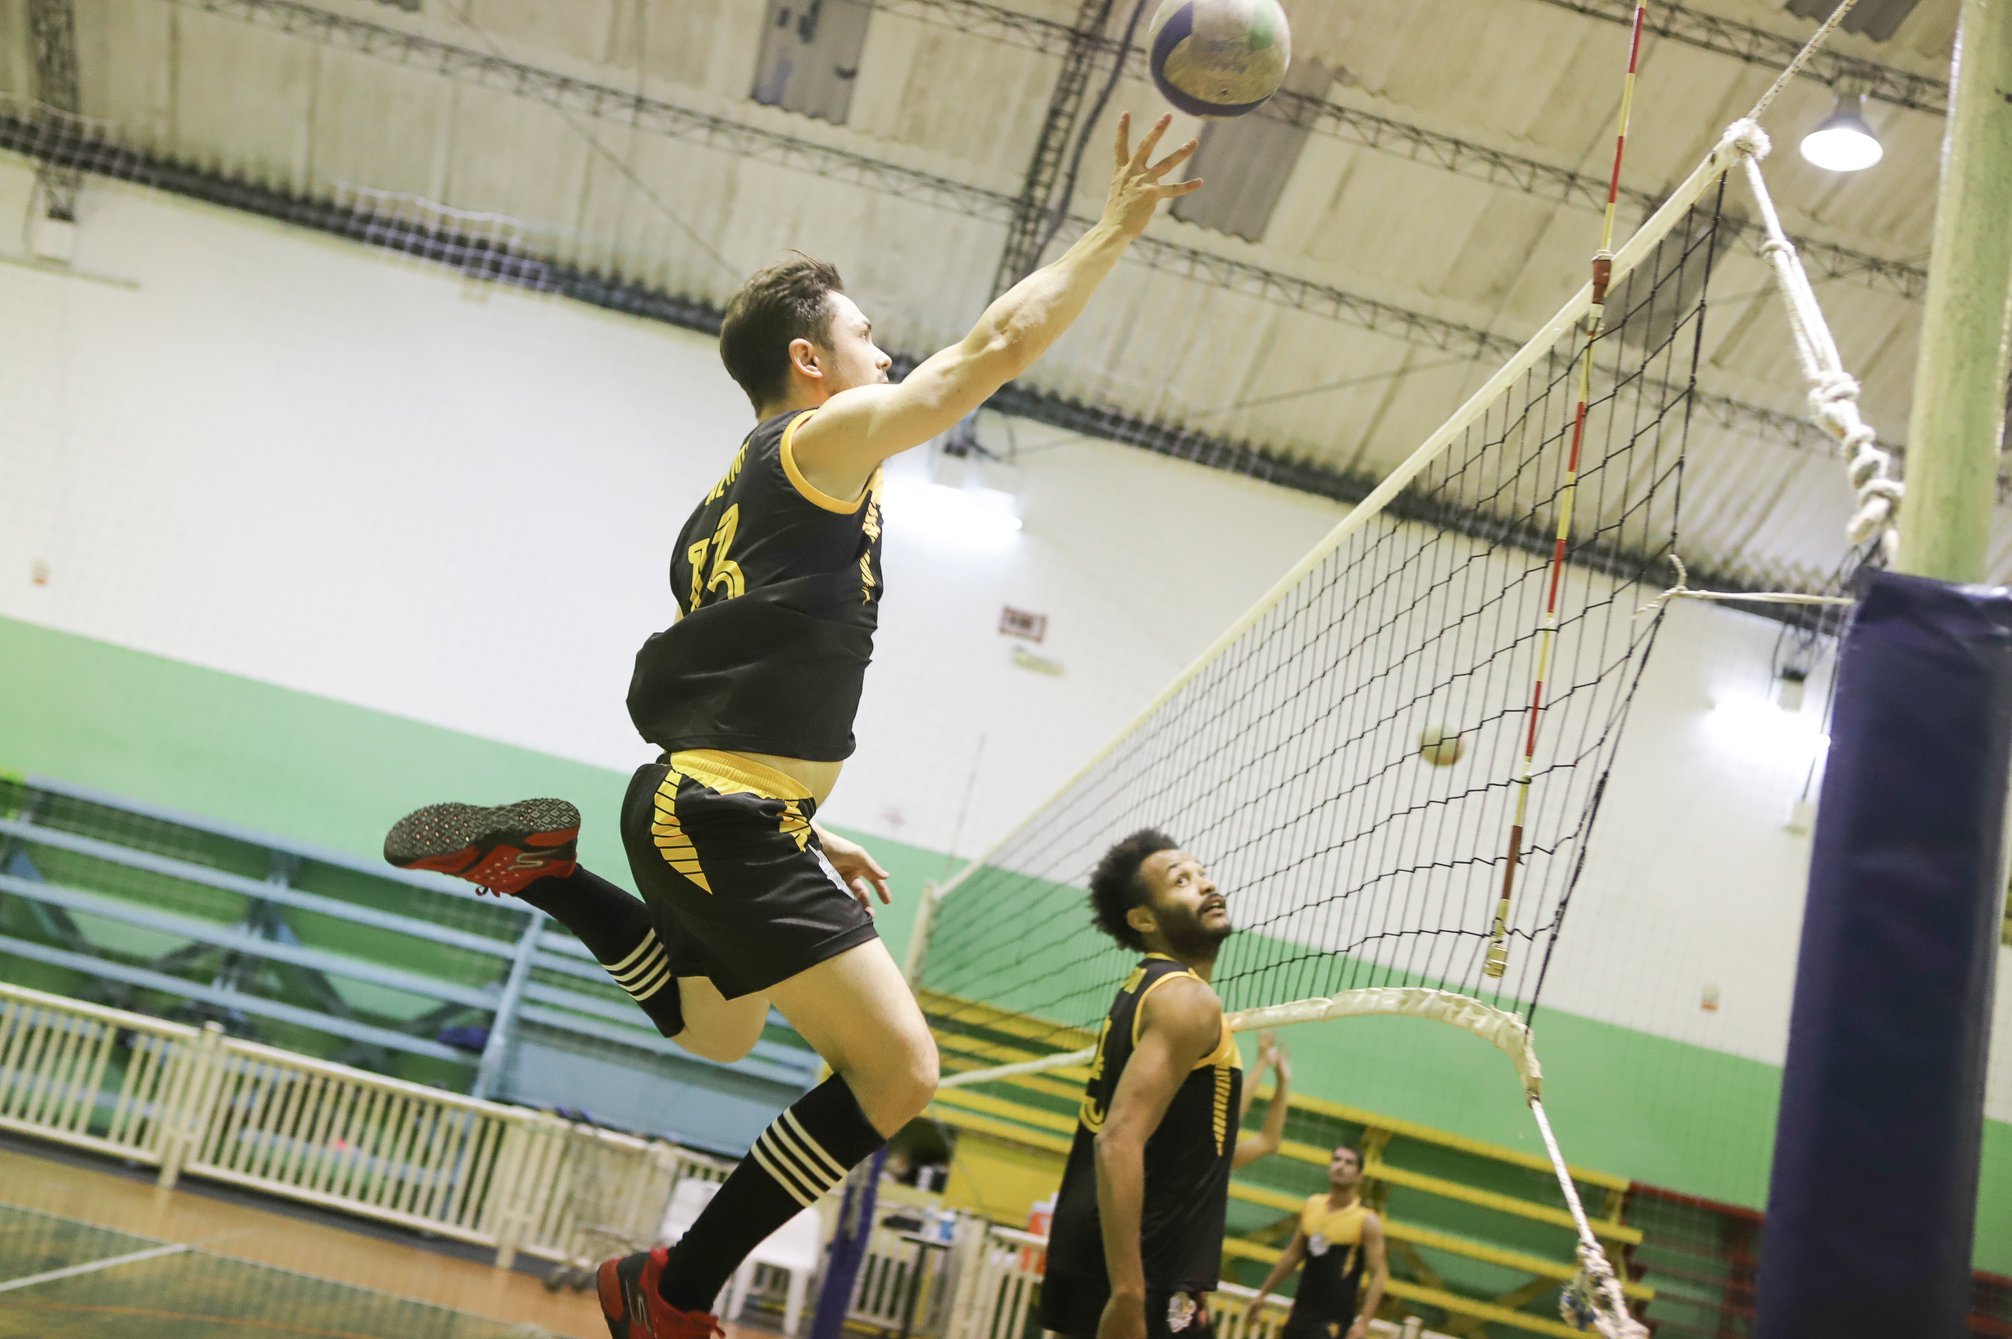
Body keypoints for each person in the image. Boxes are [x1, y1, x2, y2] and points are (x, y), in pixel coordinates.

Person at [382, 113, 1203, 1339]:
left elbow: (741, 685)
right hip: (715, 813)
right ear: (809, 363)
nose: (885, 351)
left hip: (705, 805)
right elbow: (991, 347)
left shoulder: (724, 503)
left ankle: (550, 875)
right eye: (865, 334)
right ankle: (670, 1292)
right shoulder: (818, 444)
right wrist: (1110, 229)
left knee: (718, 1035)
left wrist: (810, 827)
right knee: (899, 1071)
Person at [1039, 830, 1291, 1339]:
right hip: (1146, 1274)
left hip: (1115, 1260)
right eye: (1182, 881)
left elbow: (1202, 1134)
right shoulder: (1186, 1001)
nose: (1206, 885)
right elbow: (1117, 1141)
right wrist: (1129, 1293)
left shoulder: (1146, 987)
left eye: (1202, 873)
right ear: (1144, 918)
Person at [1245, 1144, 1390, 1339]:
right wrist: (1263, 1293)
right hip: (1301, 1314)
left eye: (1349, 1163)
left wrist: (1363, 1322)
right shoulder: (1313, 1205)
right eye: (1336, 1160)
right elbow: (1293, 1254)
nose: (1340, 1166)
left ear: (1359, 1176)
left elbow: (1379, 1274)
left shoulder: (1366, 1221)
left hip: (1333, 1321)